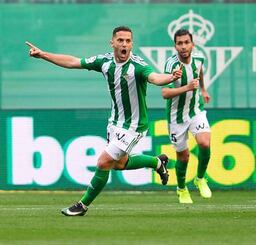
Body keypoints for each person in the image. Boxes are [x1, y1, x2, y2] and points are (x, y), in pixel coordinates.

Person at [26, 26, 182, 216]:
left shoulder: (138, 66)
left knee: (103, 162)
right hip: (115, 123)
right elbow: (73, 62)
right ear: (112, 42)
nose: (124, 44)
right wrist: (43, 55)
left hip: (134, 126)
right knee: (119, 163)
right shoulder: (105, 61)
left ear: (132, 44)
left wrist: (170, 77)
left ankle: (82, 205)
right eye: (120, 40)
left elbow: (155, 78)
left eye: (128, 41)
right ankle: (157, 162)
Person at [162, 29, 212, 204]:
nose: (183, 47)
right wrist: (187, 88)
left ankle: (200, 178)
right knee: (183, 157)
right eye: (179, 43)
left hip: (195, 111)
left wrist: (203, 89)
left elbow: (200, 73)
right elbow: (165, 93)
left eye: (186, 42)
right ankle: (182, 189)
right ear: (175, 46)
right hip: (176, 117)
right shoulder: (171, 65)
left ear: (192, 44)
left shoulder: (199, 59)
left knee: (205, 143)